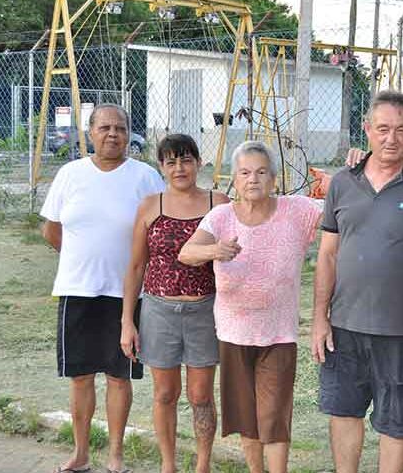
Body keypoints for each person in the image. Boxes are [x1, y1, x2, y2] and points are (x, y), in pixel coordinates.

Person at [312, 90, 403, 473]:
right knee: (343, 412)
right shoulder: (342, 183)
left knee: (397, 423)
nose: (392, 139)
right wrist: (320, 319)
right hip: (344, 327)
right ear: (367, 130)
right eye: (383, 129)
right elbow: (327, 256)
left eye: (402, 130)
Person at [179, 140, 323, 473]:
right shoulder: (221, 216)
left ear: (274, 178)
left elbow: (341, 216)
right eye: (244, 172)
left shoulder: (296, 211)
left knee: (273, 416)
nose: (252, 179)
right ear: (235, 178)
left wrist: (348, 176)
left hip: (278, 334)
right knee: (246, 416)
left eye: (261, 172)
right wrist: (215, 250)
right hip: (233, 332)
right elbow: (187, 253)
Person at [40, 103, 165, 473]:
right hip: (77, 289)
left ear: (129, 134)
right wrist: (82, 256)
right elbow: (52, 229)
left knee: (118, 375)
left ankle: (115, 456)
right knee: (80, 375)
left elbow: (159, 229)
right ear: (90, 133)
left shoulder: (145, 176)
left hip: (126, 295)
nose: (113, 134)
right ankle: (80, 453)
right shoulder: (70, 174)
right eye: (105, 128)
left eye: (121, 128)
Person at [119, 134, 229, 473]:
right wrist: (127, 321)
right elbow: (137, 265)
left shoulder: (219, 202)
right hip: (159, 310)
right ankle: (168, 464)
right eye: (171, 161)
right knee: (165, 394)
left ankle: (202, 464)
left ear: (198, 162)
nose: (179, 168)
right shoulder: (151, 206)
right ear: (161, 167)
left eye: (186, 160)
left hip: (205, 310)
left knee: (200, 395)